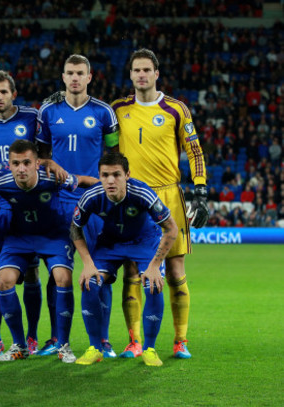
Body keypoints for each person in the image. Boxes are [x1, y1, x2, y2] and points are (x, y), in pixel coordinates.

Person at [111, 48, 208, 359]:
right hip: (131, 199)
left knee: (176, 271)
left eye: (146, 70)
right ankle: (134, 341)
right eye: (136, 70)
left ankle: (180, 341)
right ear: (130, 75)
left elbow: (194, 152)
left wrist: (201, 192)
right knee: (131, 272)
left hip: (168, 196)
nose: (141, 75)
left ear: (156, 74)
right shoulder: (117, 109)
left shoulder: (176, 109)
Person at [36, 54, 120, 357]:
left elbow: (115, 159)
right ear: (63, 76)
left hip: (95, 203)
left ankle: (103, 340)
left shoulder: (104, 113)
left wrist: (87, 180)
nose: (74, 78)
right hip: (57, 202)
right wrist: (49, 164)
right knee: (57, 271)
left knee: (100, 272)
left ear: (89, 77)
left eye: (79, 73)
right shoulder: (48, 111)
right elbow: (40, 156)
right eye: (69, 73)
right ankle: (58, 339)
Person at [0, 139, 97, 362]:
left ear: (37, 163)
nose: (21, 169)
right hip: (20, 236)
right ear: (8, 165)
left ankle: (63, 345)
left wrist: (107, 188)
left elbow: (84, 180)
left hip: (54, 235)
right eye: (16, 163)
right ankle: (20, 346)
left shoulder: (53, 177)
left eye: (27, 163)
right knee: (4, 281)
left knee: (62, 278)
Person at [71, 152, 178, 366]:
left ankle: (149, 349)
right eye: (105, 175)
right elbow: (75, 227)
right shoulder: (92, 196)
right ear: (99, 176)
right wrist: (88, 264)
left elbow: (171, 228)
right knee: (90, 283)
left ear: (127, 175)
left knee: (153, 285)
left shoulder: (142, 193)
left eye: (116, 175)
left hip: (144, 241)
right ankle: (95, 348)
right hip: (110, 243)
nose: (110, 181)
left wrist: (155, 265)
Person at [0, 70, 45, 355]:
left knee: (30, 273)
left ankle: (31, 336)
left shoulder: (31, 118)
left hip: (26, 205)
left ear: (13, 94)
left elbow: (44, 151)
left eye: (4, 91)